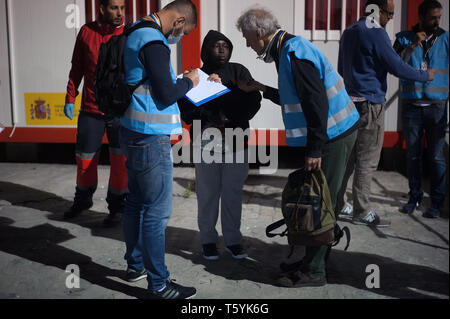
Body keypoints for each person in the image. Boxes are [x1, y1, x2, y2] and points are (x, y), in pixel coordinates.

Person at [235, 8, 360, 287]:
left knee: (318, 200)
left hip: (333, 136)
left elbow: (316, 103)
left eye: (247, 39)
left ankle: (314, 271)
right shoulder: (287, 50)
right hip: (334, 132)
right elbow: (297, 98)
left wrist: (314, 149)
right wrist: (261, 89)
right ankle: (313, 260)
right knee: (323, 198)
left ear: (259, 33)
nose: (247, 45)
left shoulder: (293, 53)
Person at [120, 0, 219, 299]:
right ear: (177, 22)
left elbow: (148, 84)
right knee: (156, 212)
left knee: (136, 202)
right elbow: (164, 95)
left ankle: (135, 266)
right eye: (184, 32)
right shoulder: (155, 41)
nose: (181, 37)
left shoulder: (136, 30)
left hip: (132, 129)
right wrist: (189, 82)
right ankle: (159, 284)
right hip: (151, 137)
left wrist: (180, 81)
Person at [336, 0, 434, 226]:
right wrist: (424, 75)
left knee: (350, 159)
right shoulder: (376, 33)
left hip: (351, 103)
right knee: (367, 161)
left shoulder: (350, 31)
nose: (390, 18)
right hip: (370, 104)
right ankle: (361, 211)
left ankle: (339, 204)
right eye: (389, 14)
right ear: (376, 11)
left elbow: (341, 67)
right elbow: (397, 67)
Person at [178, 30, 262, 261]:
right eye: (216, 45)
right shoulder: (195, 76)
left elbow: (254, 101)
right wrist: (209, 105)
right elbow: (186, 111)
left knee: (233, 195)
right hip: (207, 142)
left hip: (236, 141)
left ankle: (233, 241)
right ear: (207, 49)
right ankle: (208, 240)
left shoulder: (238, 72)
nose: (222, 49)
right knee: (207, 194)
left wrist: (224, 94)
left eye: (226, 45)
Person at [64, 0, 128, 227]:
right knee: (84, 159)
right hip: (91, 109)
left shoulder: (129, 35)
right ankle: (83, 200)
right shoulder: (86, 32)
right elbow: (77, 67)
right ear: (101, 8)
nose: (120, 13)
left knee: (120, 163)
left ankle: (118, 208)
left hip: (120, 112)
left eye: (122, 7)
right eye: (114, 8)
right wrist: (70, 97)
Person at [393, 0, 448, 218]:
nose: (436, 22)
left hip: (437, 106)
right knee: (413, 156)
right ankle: (414, 197)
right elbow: (395, 65)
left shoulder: (446, 39)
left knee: (436, 157)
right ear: (421, 16)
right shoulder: (403, 38)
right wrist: (412, 45)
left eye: (439, 17)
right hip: (411, 106)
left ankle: (436, 203)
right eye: (432, 17)